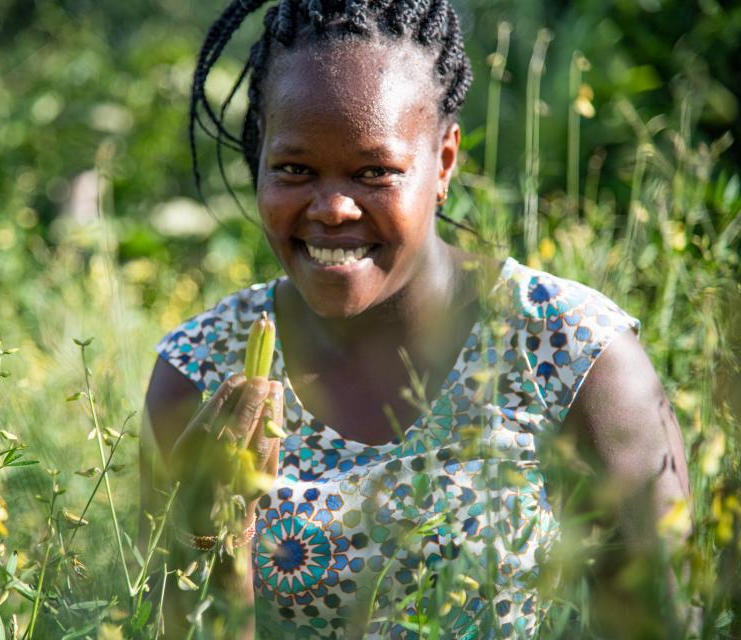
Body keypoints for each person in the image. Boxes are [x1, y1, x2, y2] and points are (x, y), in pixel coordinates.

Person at [140, 0, 692, 638]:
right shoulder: (200, 371)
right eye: (295, 169)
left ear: (445, 162)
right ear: (260, 155)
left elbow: (658, 625)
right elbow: (166, 620)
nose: (333, 208)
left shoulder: (573, 356)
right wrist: (213, 541)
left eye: (376, 171)